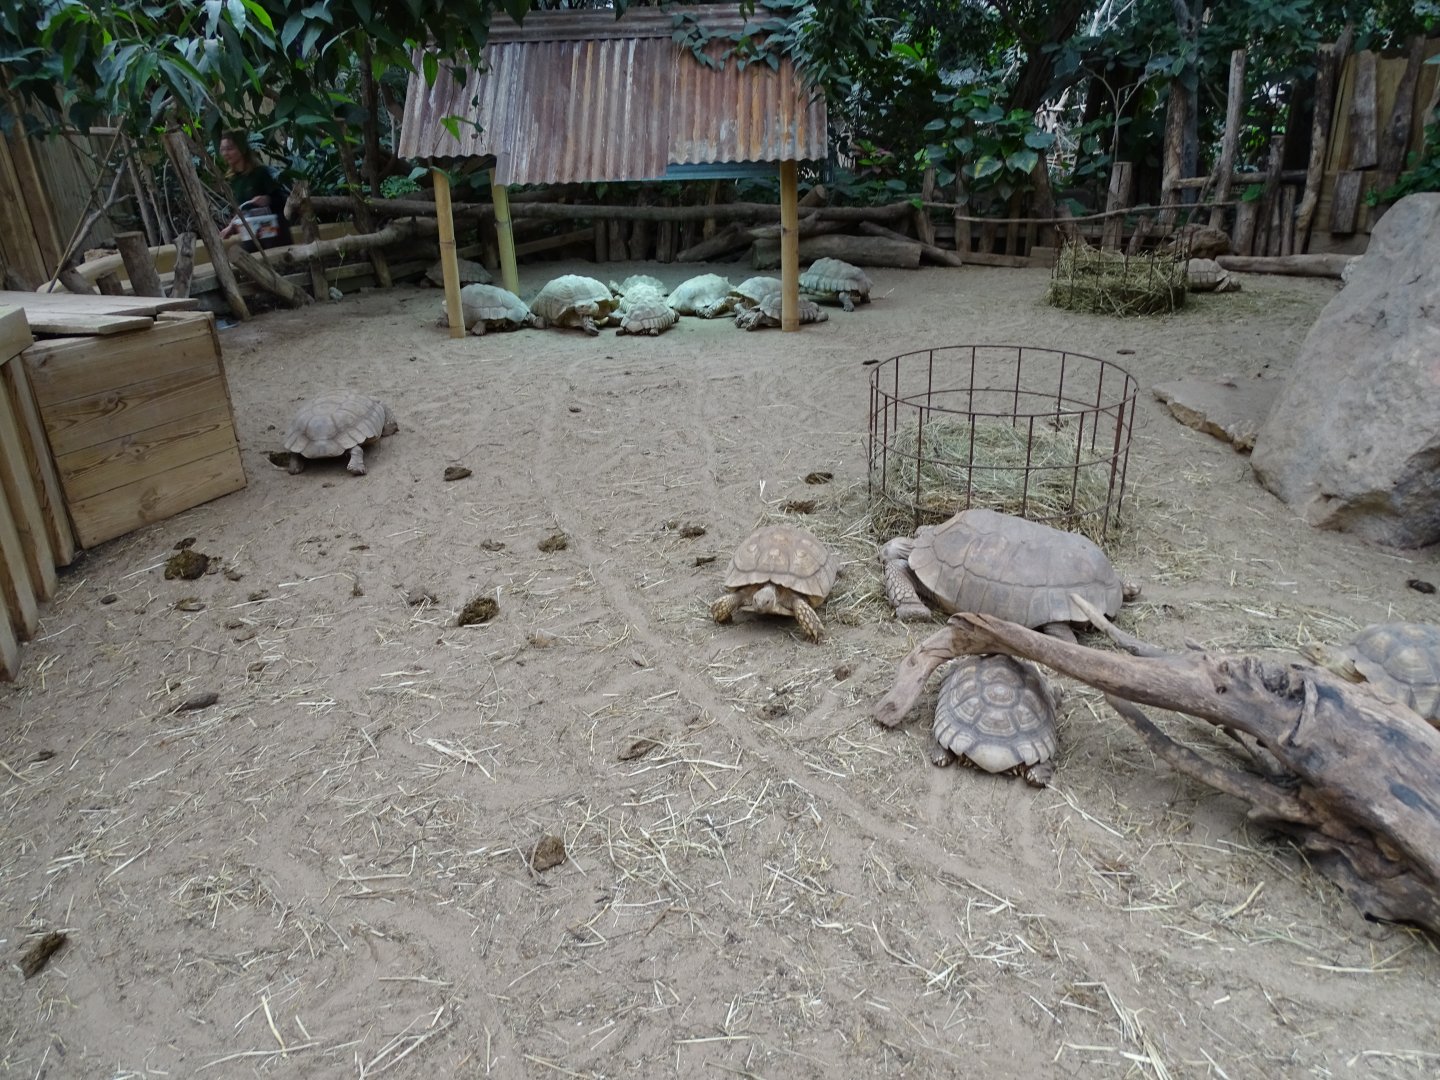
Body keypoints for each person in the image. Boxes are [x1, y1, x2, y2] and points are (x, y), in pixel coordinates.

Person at [217, 131, 292, 250]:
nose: (225, 153)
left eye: (230, 148)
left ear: (242, 149)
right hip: (251, 235)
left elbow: (282, 201)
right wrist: (231, 226)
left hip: (272, 234)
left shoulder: (260, 173)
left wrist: (267, 199)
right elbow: (242, 209)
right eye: (222, 149)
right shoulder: (233, 180)